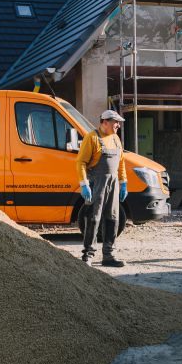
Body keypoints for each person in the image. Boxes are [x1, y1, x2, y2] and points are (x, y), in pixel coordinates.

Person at [76, 109, 128, 267]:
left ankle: (109, 256)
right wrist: (84, 185)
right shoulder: (91, 138)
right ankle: (88, 256)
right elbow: (80, 162)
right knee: (93, 218)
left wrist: (123, 181)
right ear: (105, 122)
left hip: (113, 183)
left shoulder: (116, 139)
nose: (118, 125)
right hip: (96, 183)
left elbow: (121, 162)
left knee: (113, 218)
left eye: (118, 123)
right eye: (115, 122)